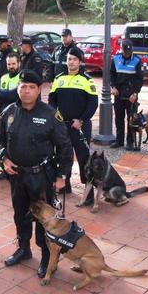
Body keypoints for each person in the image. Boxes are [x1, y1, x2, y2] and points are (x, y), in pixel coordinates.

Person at [0, 69, 73, 278]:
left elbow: (65, 147)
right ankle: (23, 248)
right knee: (20, 213)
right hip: (17, 176)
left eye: (32, 87)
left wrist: (61, 176)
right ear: (18, 88)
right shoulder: (9, 113)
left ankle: (46, 256)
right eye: (23, 87)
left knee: (44, 219)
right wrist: (4, 157)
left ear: (39, 90)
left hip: (42, 176)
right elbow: (0, 140)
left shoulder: (50, 114)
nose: (27, 91)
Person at [48, 47, 98, 195]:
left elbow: (93, 104)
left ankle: (88, 192)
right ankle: (65, 186)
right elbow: (52, 102)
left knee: (83, 158)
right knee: (63, 156)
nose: (71, 62)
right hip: (63, 126)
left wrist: (81, 120)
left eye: (74, 59)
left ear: (80, 61)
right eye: (69, 59)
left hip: (80, 126)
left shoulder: (87, 80)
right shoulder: (59, 78)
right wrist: (56, 119)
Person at [109, 39, 143, 150]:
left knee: (131, 120)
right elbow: (112, 74)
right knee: (119, 118)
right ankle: (119, 140)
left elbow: (140, 79)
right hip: (118, 93)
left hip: (131, 94)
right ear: (121, 49)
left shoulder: (137, 61)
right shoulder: (116, 59)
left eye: (129, 51)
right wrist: (113, 87)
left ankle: (130, 142)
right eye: (125, 51)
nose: (127, 53)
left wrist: (135, 92)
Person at [0, 52, 22, 181]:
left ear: (19, 63)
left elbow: (17, 96)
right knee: (4, 142)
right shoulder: (3, 77)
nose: (11, 66)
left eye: (13, 64)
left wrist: (4, 94)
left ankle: (16, 170)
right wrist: (8, 94)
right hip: (4, 117)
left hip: (18, 116)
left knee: (17, 144)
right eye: (9, 64)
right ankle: (5, 169)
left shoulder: (22, 77)